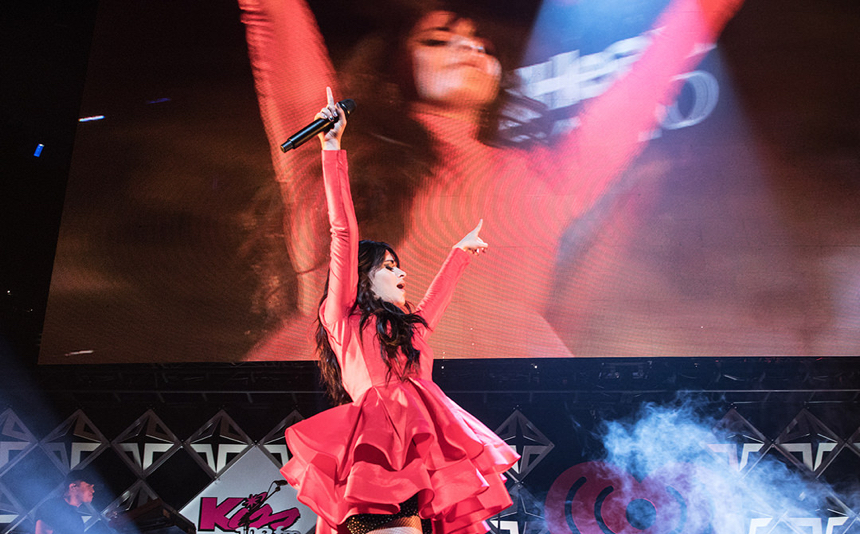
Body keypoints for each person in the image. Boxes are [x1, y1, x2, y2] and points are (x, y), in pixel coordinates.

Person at [232, 89, 518, 534]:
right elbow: (341, 230)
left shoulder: (411, 334)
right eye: (391, 268)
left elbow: (438, 302)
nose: (401, 275)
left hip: (416, 475)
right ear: (365, 278)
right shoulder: (345, 317)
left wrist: (460, 253)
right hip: (369, 467)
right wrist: (334, 148)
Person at [237, 0, 745, 361]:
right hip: (341, 411)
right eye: (438, 41)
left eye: (480, 44)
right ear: (397, 70)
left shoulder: (544, 178)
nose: (466, 48)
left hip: (497, 421)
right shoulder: (335, 152)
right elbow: (276, 19)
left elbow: (651, 76)